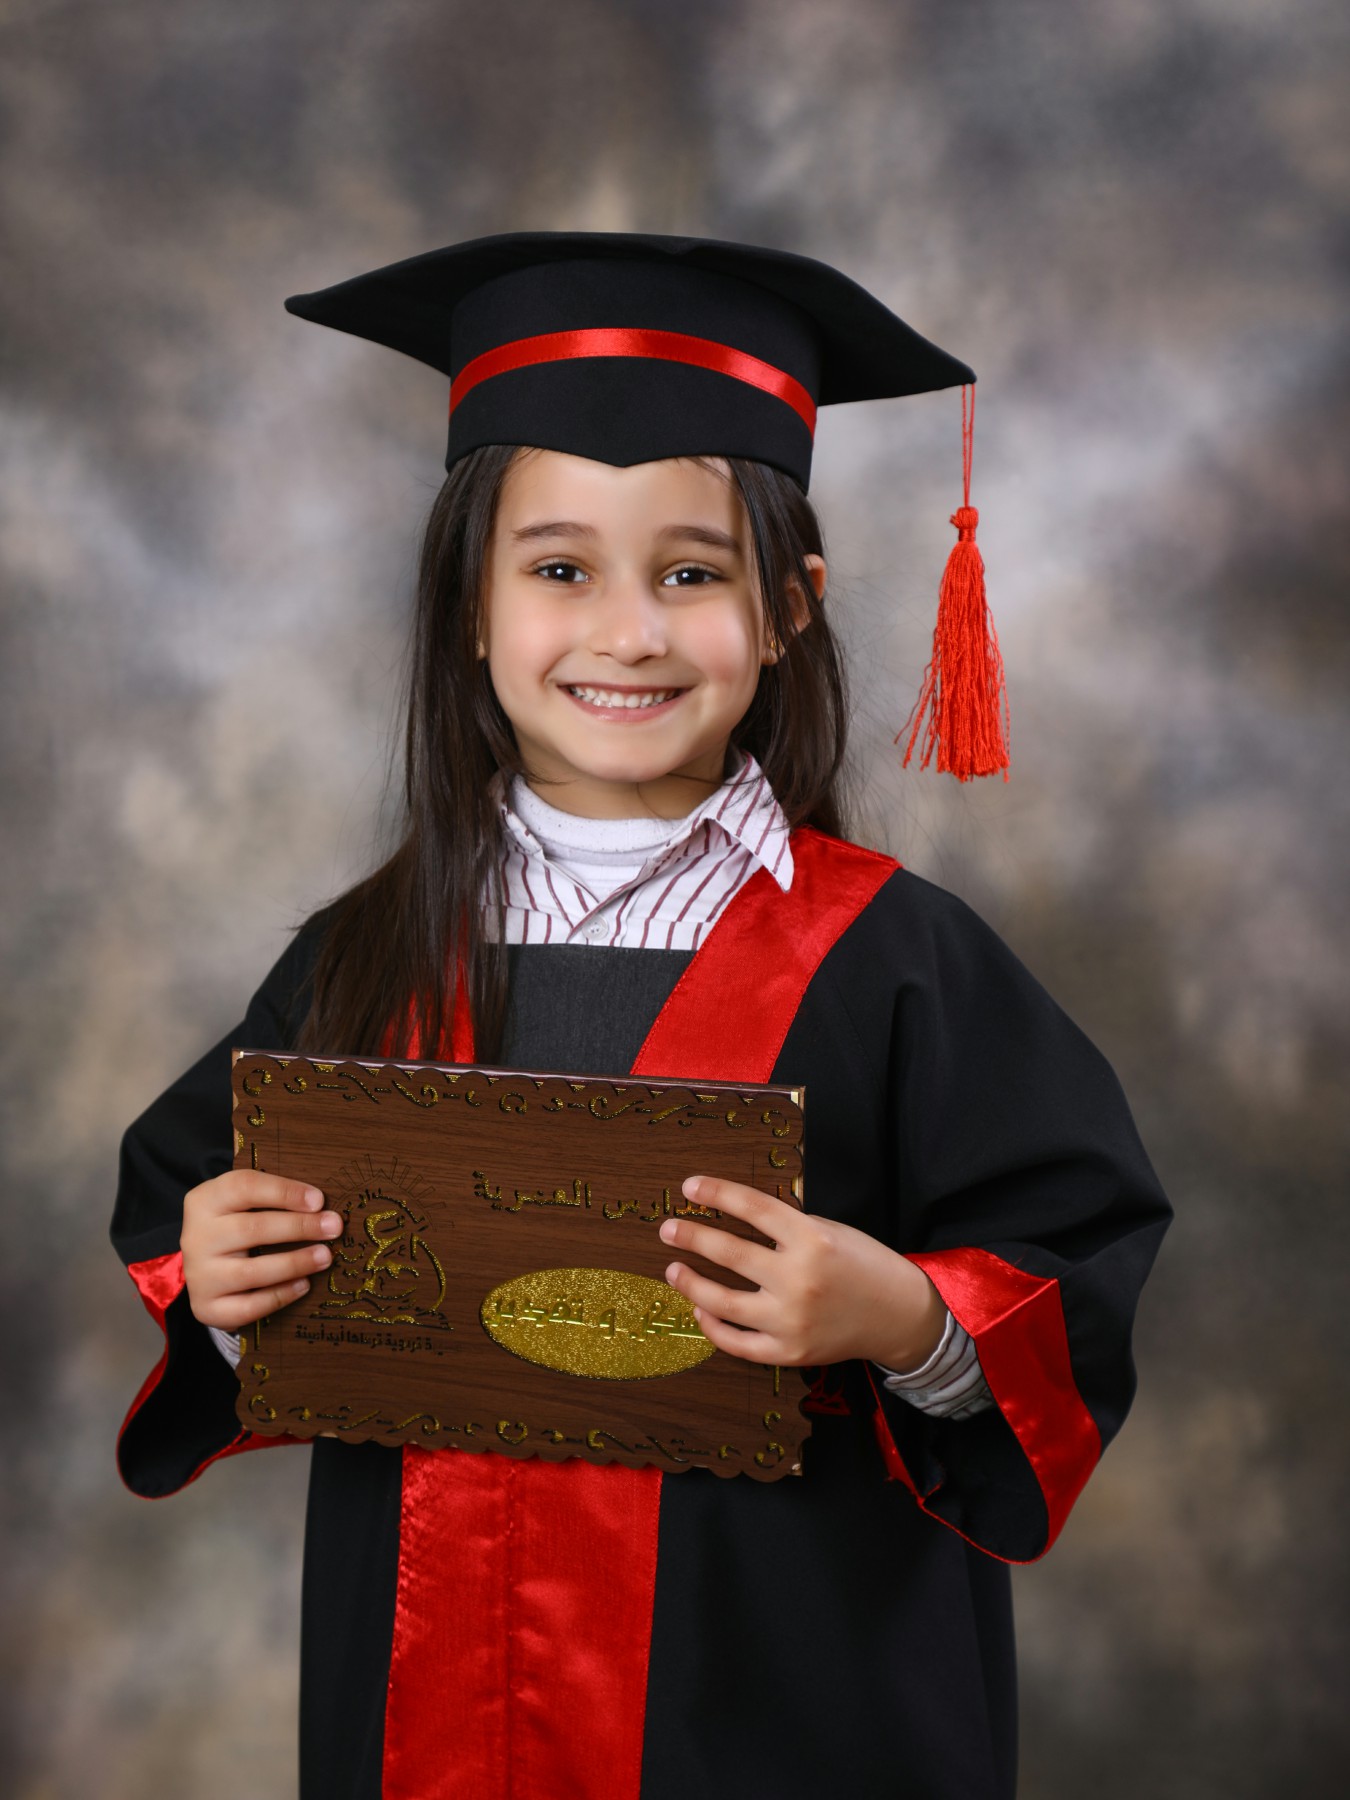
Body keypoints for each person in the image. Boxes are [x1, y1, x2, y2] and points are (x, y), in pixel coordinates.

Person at [112, 233, 1170, 1800]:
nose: (628, 632)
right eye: (558, 571)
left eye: (692, 573)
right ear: (469, 609)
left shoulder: (898, 960)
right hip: (431, 1699)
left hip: (782, 1703)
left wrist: (899, 1315)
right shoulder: (364, 961)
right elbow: (189, 1218)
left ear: (790, 606)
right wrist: (216, 1281)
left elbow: (1066, 1260)